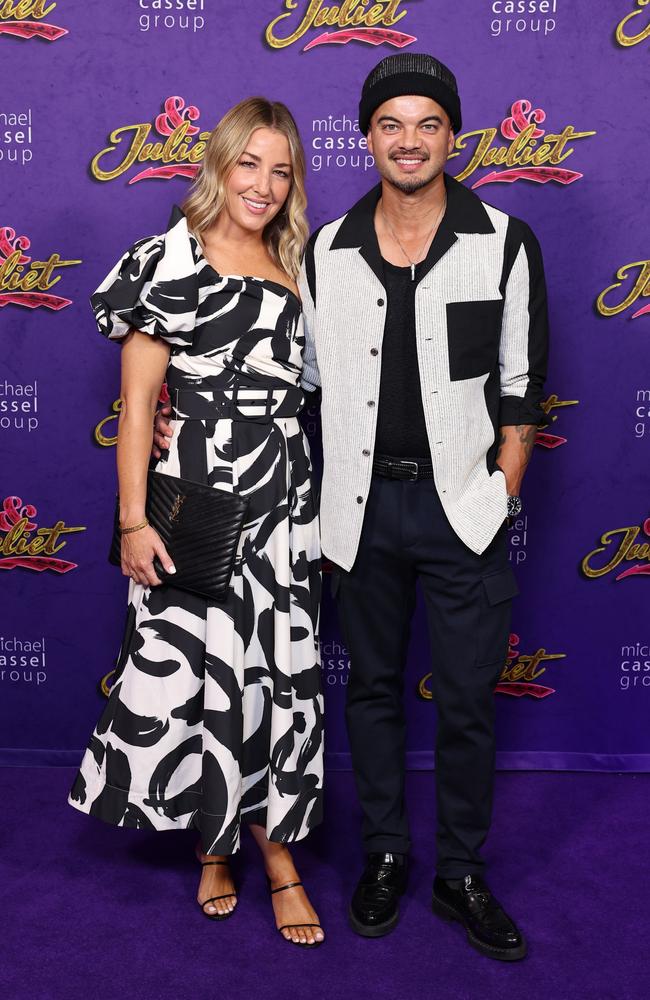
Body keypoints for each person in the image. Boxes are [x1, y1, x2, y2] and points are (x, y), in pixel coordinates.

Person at [155, 55, 549, 960]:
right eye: (390, 125)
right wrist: (181, 400)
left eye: (428, 125)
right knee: (368, 692)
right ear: (367, 136)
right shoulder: (323, 251)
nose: (408, 142)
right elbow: (289, 376)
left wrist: (503, 485)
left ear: (454, 137)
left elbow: (523, 386)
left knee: (466, 702)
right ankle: (384, 855)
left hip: (464, 511)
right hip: (358, 513)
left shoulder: (504, 239)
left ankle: (459, 872)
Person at [69, 97, 325, 948]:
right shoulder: (164, 260)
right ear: (218, 163)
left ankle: (277, 850)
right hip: (196, 504)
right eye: (249, 163)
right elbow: (138, 408)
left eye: (281, 169)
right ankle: (216, 852)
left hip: (285, 506)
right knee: (204, 677)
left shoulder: (299, 263)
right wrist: (134, 520)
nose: (263, 184)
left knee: (276, 681)